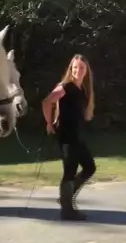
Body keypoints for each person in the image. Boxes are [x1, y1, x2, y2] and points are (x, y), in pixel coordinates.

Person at [41, 54, 96, 221]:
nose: (78, 70)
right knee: (70, 171)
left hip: (77, 135)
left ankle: (66, 197)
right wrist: (49, 123)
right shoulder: (66, 86)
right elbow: (47, 102)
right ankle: (67, 210)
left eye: (81, 68)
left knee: (89, 167)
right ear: (71, 70)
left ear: (86, 70)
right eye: (75, 68)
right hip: (66, 135)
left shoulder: (82, 90)